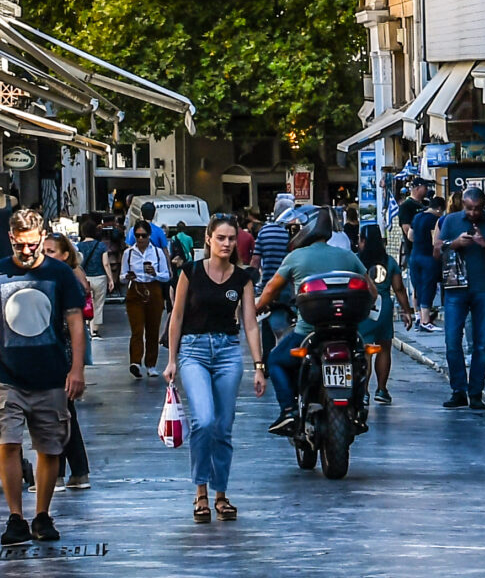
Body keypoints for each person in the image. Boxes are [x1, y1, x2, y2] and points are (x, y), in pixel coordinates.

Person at [0, 207, 87, 546]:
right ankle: (16, 516)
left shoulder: (59, 274)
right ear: (11, 239)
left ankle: (42, 514)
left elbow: (75, 320)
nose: (27, 251)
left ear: (41, 238)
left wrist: (77, 369)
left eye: (33, 244)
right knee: (8, 442)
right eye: (20, 245)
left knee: (49, 447)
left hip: (50, 375)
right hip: (6, 375)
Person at [164, 213, 265, 521]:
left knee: (223, 426)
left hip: (227, 353)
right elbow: (177, 316)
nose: (226, 243)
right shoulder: (191, 271)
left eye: (231, 238)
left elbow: (250, 323)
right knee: (204, 421)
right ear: (208, 239)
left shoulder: (242, 277)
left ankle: (221, 494)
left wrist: (259, 365)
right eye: (220, 238)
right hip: (193, 351)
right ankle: (200, 491)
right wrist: (171, 359)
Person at [254, 208, 356, 435]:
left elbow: (270, 288)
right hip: (348, 333)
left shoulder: (295, 257)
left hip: (308, 333)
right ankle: (359, 403)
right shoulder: (347, 256)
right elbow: (370, 289)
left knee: (275, 360)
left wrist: (255, 308)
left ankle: (289, 411)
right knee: (361, 360)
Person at [432, 184, 485, 410]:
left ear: (484, 206)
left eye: (478, 208)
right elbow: (436, 252)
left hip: (483, 287)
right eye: (470, 208)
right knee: (452, 340)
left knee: (481, 344)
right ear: (463, 204)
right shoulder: (451, 221)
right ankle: (458, 390)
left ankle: (475, 392)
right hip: (455, 288)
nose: (473, 213)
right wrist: (454, 243)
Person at [45, 231, 96, 488]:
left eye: (51, 252)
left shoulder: (68, 280)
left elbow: (72, 323)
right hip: (57, 353)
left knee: (62, 412)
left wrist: (76, 367)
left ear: (65, 256)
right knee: (62, 413)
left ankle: (64, 472)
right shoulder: (53, 278)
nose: (45, 257)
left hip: (62, 354)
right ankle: (70, 471)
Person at [120, 218, 172, 377]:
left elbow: (167, 275)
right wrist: (127, 276)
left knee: (152, 329)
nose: (140, 239)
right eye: (137, 235)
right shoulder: (128, 253)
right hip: (135, 289)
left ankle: (151, 364)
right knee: (137, 329)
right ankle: (135, 361)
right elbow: (121, 277)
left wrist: (154, 274)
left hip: (153, 289)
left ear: (149, 236)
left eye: (143, 235)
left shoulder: (157, 253)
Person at [356, 223, 396, 404]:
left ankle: (363, 392)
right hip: (384, 305)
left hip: (364, 304)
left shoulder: (357, 260)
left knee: (364, 350)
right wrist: (408, 311)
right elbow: (400, 289)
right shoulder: (389, 261)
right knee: (384, 347)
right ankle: (381, 389)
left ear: (363, 240)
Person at [403, 177, 440, 329]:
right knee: (427, 286)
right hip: (427, 256)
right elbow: (435, 239)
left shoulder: (418, 216)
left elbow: (410, 235)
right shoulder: (434, 218)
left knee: (417, 286)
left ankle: (419, 317)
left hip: (414, 254)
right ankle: (425, 321)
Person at [80, 219, 111, 337]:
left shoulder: (79, 246)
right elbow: (106, 263)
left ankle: (87, 327)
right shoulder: (101, 246)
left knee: (87, 303)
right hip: (99, 278)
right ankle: (95, 331)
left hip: (85, 278)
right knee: (98, 305)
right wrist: (111, 279)